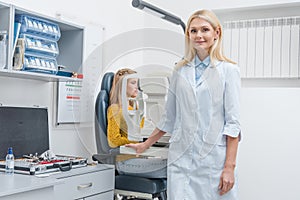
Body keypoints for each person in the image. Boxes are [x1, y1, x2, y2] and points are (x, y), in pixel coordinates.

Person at [126, 9, 241, 199]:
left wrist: (229, 167)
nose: (199, 35)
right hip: (181, 160)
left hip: (213, 162)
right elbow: (169, 116)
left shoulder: (229, 71)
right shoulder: (180, 70)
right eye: (193, 31)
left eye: (205, 29)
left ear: (216, 33)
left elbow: (233, 124)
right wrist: (145, 144)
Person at [107, 68, 167, 178]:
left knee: (178, 163)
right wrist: (138, 141)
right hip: (126, 162)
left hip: (139, 157)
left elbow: (141, 131)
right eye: (133, 83)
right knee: (172, 167)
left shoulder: (135, 108)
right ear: (122, 86)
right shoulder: (115, 109)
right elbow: (113, 140)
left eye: (138, 83)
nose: (137, 87)